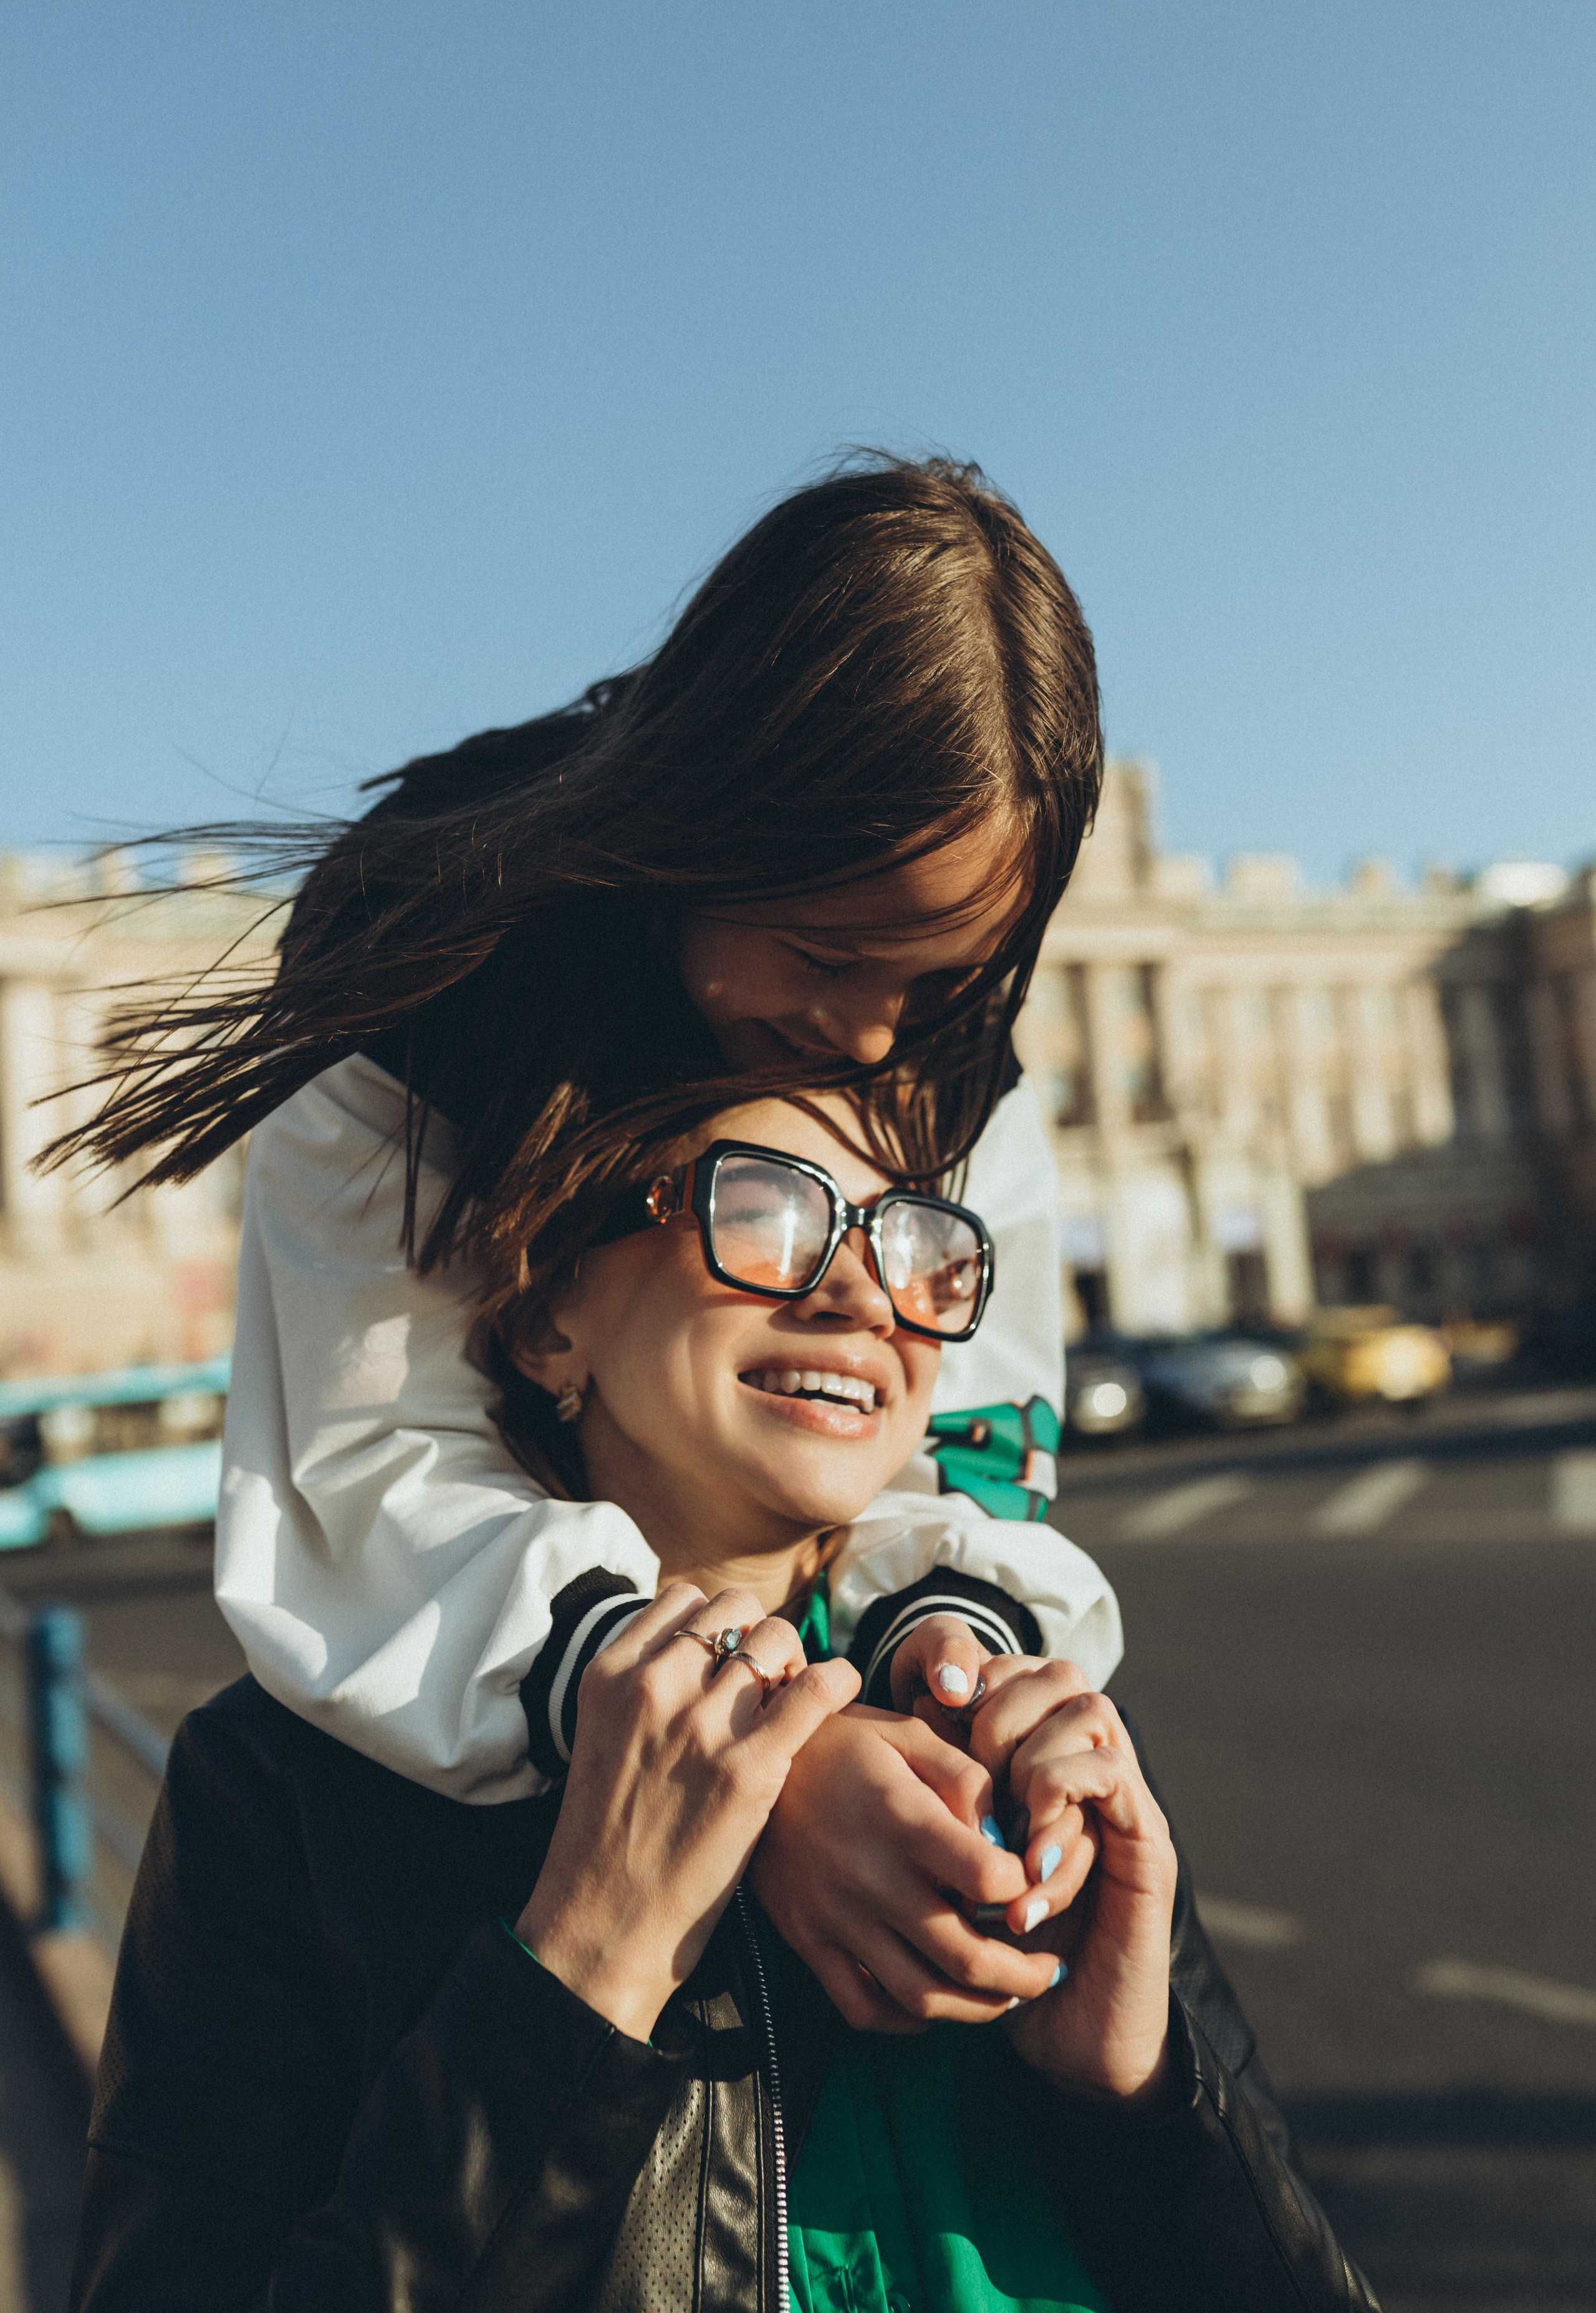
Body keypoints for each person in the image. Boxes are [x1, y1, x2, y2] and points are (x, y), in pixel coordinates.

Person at [53, 453, 1116, 2029]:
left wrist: (950, 1673)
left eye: (944, 978)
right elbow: (369, 1473)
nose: (870, 1035)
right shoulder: (420, 936)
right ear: (703, 821)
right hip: (483, 1888)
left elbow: (969, 1446)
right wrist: (771, 1757)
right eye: (829, 952)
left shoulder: (945, 1024)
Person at [72, 1094, 1377, 2311]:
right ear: (542, 1315)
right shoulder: (286, 1786)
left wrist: (1136, 2097)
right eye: (765, 1208)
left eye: (914, 1238)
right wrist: (586, 1972)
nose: (864, 1292)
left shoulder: (1035, 1726)